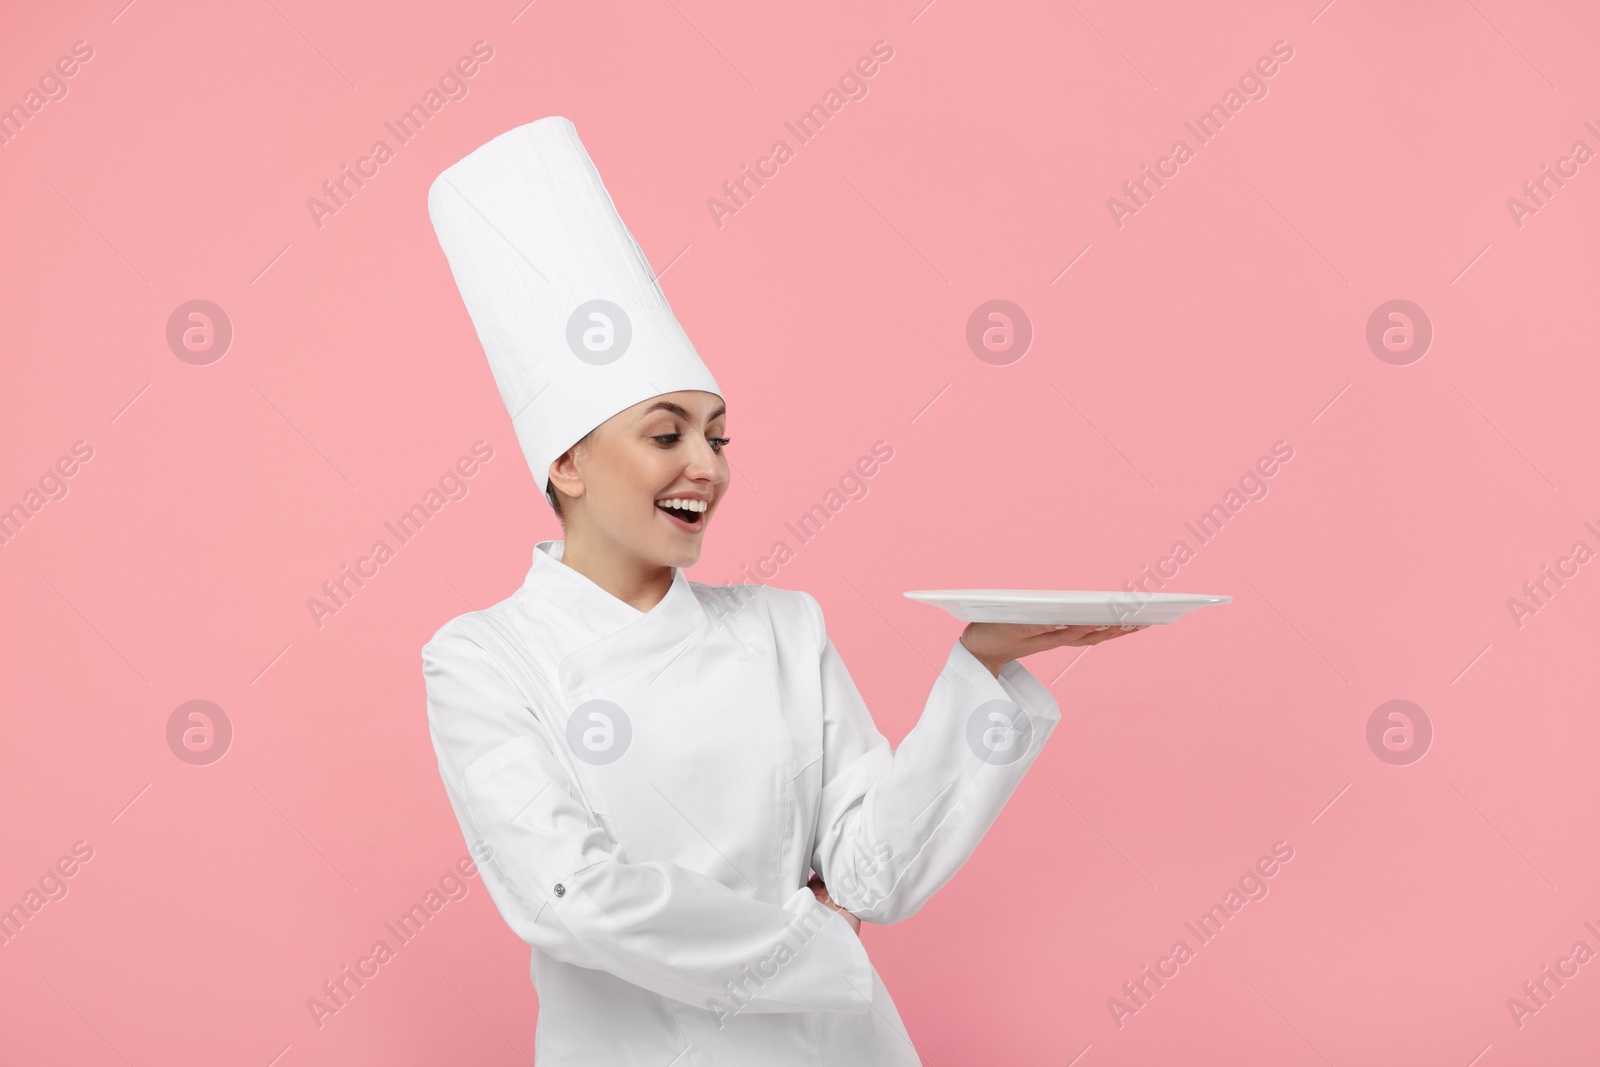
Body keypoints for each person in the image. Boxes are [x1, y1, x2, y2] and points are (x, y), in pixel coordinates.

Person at [421, 116, 1142, 1066]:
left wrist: (984, 664)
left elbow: (872, 872)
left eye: (718, 436)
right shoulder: (483, 657)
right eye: (667, 432)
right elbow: (571, 897)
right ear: (568, 462)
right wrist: (815, 944)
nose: (706, 468)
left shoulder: (780, 626)